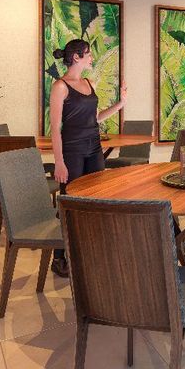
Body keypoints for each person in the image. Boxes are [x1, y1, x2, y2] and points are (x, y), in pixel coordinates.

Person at [49, 39, 127, 276]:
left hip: (94, 148)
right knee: (70, 203)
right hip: (72, 150)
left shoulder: (89, 83)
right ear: (76, 57)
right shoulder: (60, 86)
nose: (92, 57)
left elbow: (95, 118)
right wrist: (59, 162)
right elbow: (55, 129)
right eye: (88, 54)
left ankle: (88, 252)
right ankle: (60, 257)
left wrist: (121, 104)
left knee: (95, 200)